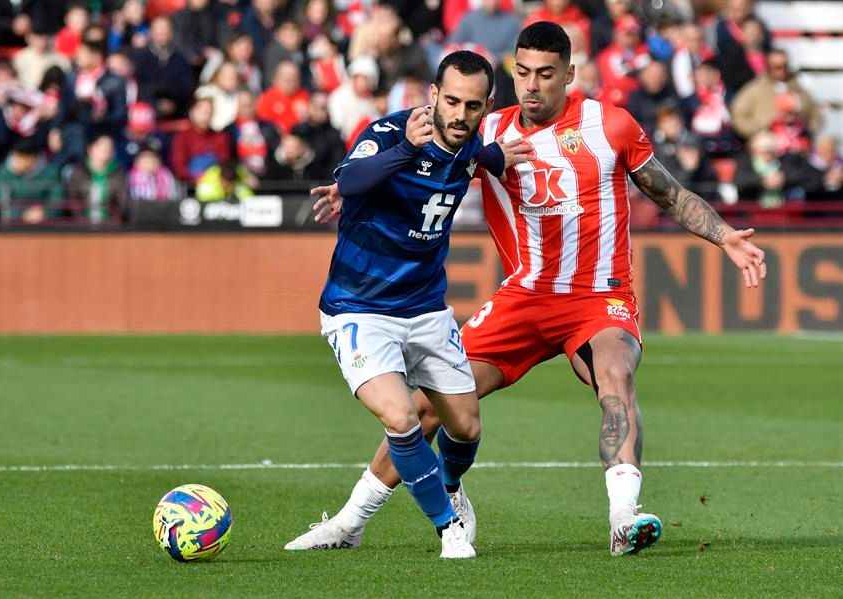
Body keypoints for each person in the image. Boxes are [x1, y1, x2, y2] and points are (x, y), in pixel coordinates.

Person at [293, 21, 767, 557]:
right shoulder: (484, 129)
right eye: (522, 73)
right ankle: (350, 522)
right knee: (429, 410)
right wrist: (352, 187)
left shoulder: (610, 125)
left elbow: (669, 193)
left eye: (545, 73)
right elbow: (423, 167)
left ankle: (623, 518)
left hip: (598, 297)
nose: (533, 85)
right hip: (522, 297)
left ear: (569, 74)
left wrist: (724, 235)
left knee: (615, 376)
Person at [289, 50, 532, 559]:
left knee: (465, 427)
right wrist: (403, 151)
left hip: (426, 310)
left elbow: (479, 158)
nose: (459, 115)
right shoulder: (389, 132)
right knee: (401, 419)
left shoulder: (470, 145)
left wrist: (498, 157)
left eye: (472, 106)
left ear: (486, 107)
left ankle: (447, 487)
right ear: (433, 95)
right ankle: (448, 529)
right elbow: (350, 181)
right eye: (451, 102)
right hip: (359, 309)